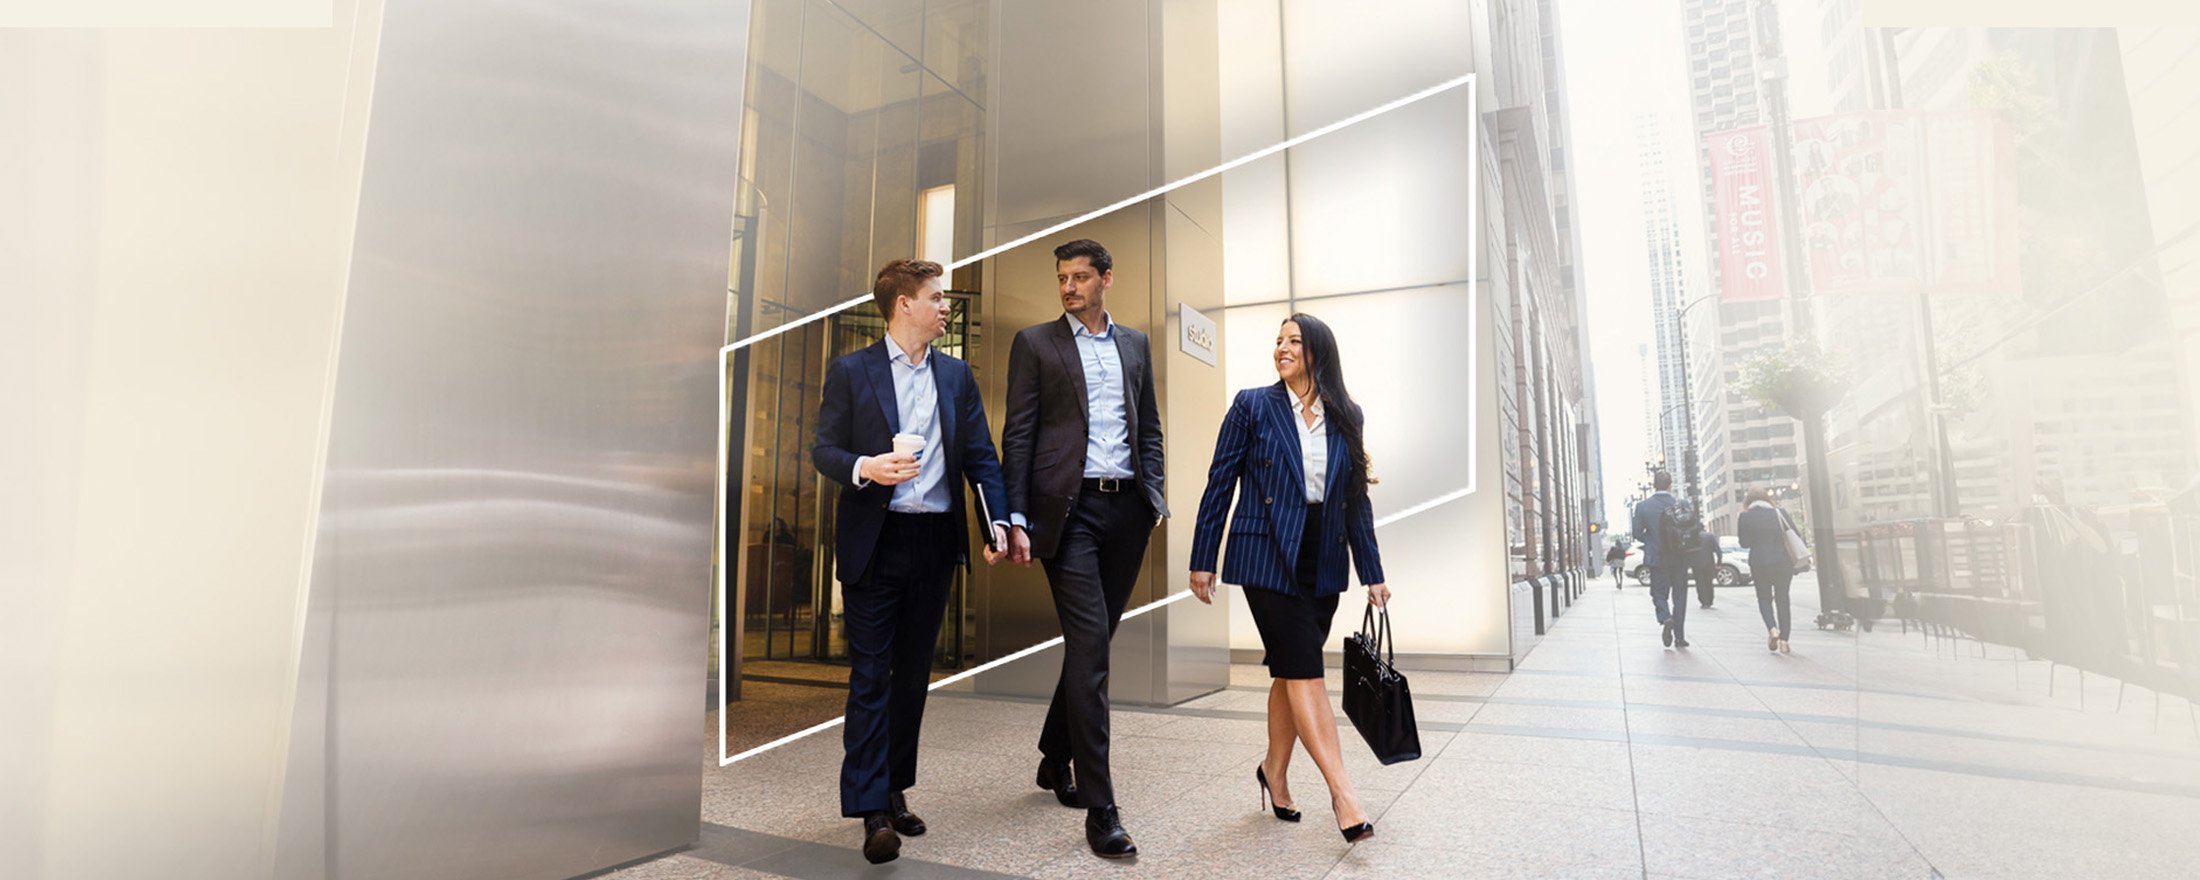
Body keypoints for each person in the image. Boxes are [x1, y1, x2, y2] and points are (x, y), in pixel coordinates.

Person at [812, 258, 1010, 864]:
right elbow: (824, 448)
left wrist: (999, 521)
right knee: (871, 677)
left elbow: (981, 456)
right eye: (936, 297)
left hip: (934, 543)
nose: (945, 306)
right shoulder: (851, 371)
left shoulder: (956, 376)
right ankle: (872, 811)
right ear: (903, 304)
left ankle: (894, 789)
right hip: (876, 541)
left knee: (912, 678)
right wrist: (865, 467)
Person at [1187, 313, 1387, 845]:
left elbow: (1355, 498)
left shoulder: (1347, 414)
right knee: (1305, 671)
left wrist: (1373, 572)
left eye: (1294, 341)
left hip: (1322, 555)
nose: (1282, 348)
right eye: (1278, 341)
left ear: (1319, 350)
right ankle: (1343, 793)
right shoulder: (1253, 404)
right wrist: (1203, 554)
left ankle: (1273, 771)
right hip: (1266, 552)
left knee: (1289, 671)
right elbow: (1219, 481)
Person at [1000, 239, 1167, 859]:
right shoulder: (1036, 343)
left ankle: (1052, 756)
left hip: (1127, 509)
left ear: (1106, 280)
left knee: (1092, 643)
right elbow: (1018, 433)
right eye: (1062, 279)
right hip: (1066, 517)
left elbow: (1148, 426)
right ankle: (1103, 808)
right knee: (1092, 648)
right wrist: (1014, 515)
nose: (1069, 288)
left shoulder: (1136, 344)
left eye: (1080, 278)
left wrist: (1153, 496)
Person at [1629, 472, 1689, 649]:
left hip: (1657, 557)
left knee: (1659, 593)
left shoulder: (1643, 507)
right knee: (1680, 597)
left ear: (1654, 485)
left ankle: (1665, 617)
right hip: (1679, 557)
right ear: (1670, 485)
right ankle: (1679, 636)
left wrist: (1651, 540)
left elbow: (1637, 532)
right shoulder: (1681, 504)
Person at [1736, 488, 1799, 653]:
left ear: (1748, 501)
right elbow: (1795, 534)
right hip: (1782, 562)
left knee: (1764, 598)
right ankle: (1784, 640)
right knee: (1783, 599)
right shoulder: (1780, 513)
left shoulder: (1745, 516)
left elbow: (1744, 543)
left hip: (1759, 562)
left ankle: (1772, 629)